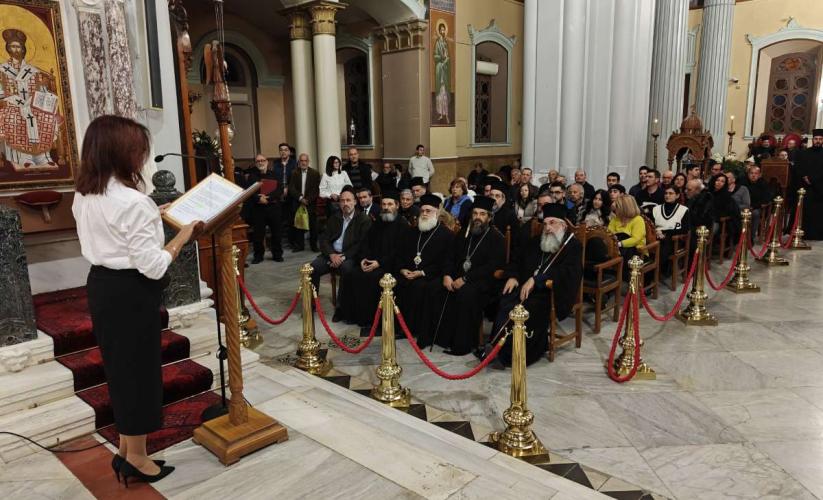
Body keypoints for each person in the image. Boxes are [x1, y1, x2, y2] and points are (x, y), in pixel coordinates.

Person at [72, 116, 201, 484]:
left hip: (102, 286)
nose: (143, 157)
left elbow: (114, 231)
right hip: (131, 292)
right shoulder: (134, 201)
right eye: (139, 150)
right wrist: (183, 235)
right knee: (140, 375)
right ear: (122, 153)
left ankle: (127, 451)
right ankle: (138, 460)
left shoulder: (85, 194)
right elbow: (153, 264)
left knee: (122, 372)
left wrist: (154, 215)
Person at [491, 203, 582, 366]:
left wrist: (537, 279)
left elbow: (567, 273)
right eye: (545, 224)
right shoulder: (535, 242)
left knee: (528, 308)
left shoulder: (572, 246)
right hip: (525, 289)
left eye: (552, 223)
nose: (547, 228)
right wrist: (513, 276)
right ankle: (496, 348)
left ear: (563, 225)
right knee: (506, 299)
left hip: (549, 293)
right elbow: (517, 260)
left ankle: (516, 355)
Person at [419, 196, 505, 355]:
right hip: (457, 277)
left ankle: (461, 345)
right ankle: (433, 337)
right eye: (475, 213)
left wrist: (465, 279)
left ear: (489, 217)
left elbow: (492, 267)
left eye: (482, 214)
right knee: (433, 287)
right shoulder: (465, 234)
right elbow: (450, 257)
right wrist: (447, 275)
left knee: (465, 293)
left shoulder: (497, 238)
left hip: (482, 282)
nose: (478, 217)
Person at [344, 191, 410, 329]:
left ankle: (372, 321)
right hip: (372, 262)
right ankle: (356, 316)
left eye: (390, 204)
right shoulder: (378, 222)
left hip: (390, 265)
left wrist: (379, 263)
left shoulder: (403, 225)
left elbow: (399, 251)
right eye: (384, 204)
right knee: (353, 274)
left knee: (373, 278)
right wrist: (364, 259)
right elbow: (366, 243)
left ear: (397, 206)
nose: (386, 207)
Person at [0, 28, 62, 168]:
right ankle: (24, 157)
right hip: (12, 105)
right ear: (8, 49)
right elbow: (1, 92)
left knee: (45, 116)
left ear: (23, 49)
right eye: (12, 46)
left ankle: (43, 156)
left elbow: (42, 89)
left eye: (18, 46)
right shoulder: (2, 70)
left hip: (32, 104)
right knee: (18, 117)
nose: (16, 50)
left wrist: (45, 96)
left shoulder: (33, 71)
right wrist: (15, 101)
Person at [395, 194, 454, 337]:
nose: (425, 214)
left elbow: (446, 262)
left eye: (429, 211)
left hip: (431, 275)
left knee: (418, 286)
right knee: (396, 283)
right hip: (409, 272)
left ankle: (414, 329)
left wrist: (422, 272)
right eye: (422, 211)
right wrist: (402, 269)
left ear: (437, 213)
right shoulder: (412, 232)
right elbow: (400, 254)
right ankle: (398, 326)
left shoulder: (446, 235)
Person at [310, 187, 372, 321]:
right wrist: (332, 254)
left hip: (349, 256)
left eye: (348, 200)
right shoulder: (335, 217)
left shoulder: (363, 219)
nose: (345, 203)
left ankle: (340, 309)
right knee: (312, 268)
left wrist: (342, 257)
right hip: (331, 254)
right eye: (342, 201)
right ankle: (310, 304)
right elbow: (324, 239)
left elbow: (360, 245)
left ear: (355, 202)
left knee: (346, 269)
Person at [245, 154, 284, 263]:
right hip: (258, 209)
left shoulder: (275, 175)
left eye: (262, 160)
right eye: (258, 161)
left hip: (273, 208)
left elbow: (280, 190)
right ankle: (258, 256)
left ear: (267, 162)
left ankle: (277, 254)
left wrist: (268, 198)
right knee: (258, 234)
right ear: (255, 163)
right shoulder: (251, 177)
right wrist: (259, 198)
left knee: (276, 233)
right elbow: (249, 192)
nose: (261, 163)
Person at [652, 186, 690, 274]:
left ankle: (654, 275)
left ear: (677, 195)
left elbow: (685, 229)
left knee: (664, 245)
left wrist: (665, 232)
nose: (667, 195)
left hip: (674, 240)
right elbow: (652, 225)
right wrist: (656, 232)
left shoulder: (683, 210)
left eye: (671, 193)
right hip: (656, 236)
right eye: (666, 193)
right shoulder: (656, 209)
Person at [288, 153, 321, 252]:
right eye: (301, 161)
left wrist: (307, 200)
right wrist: (300, 198)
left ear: (308, 162)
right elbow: (291, 188)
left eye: (305, 161)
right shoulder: (294, 173)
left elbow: (316, 190)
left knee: (313, 226)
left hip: (310, 203)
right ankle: (300, 246)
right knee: (298, 225)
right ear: (299, 162)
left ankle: (314, 246)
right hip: (297, 202)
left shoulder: (315, 173)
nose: (303, 163)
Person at [608, 195, 647, 277]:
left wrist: (620, 243)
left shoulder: (638, 219)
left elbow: (636, 239)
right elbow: (609, 234)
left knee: (624, 236)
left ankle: (620, 272)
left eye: (617, 207)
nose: (615, 210)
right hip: (618, 249)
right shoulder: (615, 219)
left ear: (625, 208)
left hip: (637, 251)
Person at [796, 128, 823, 239]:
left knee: (819, 212)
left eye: (820, 139)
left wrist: (813, 179)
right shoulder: (804, 153)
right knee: (806, 211)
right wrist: (804, 176)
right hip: (806, 187)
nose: (818, 141)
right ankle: (804, 234)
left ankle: (819, 235)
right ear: (813, 140)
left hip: (820, 188)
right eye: (816, 139)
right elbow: (799, 167)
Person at [273, 143, 297, 246]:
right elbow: (274, 179)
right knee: (278, 219)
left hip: (291, 194)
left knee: (291, 219)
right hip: (279, 194)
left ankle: (292, 241)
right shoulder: (275, 164)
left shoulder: (294, 163)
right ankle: (278, 242)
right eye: (281, 150)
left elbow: (296, 179)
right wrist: (281, 190)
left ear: (289, 152)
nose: (283, 152)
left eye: (285, 150)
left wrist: (288, 188)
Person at [741, 164, 772, 238]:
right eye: (751, 173)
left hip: (757, 208)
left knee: (755, 213)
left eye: (756, 173)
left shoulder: (764, 184)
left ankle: (751, 237)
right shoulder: (743, 182)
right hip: (743, 207)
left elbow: (766, 199)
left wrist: (753, 207)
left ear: (760, 175)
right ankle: (739, 237)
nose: (753, 175)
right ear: (748, 174)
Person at [708, 173, 740, 239]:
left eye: (722, 181)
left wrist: (714, 216)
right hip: (705, 219)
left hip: (719, 222)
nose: (719, 183)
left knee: (711, 228)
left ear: (725, 184)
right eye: (717, 180)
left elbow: (727, 213)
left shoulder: (726, 196)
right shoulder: (707, 193)